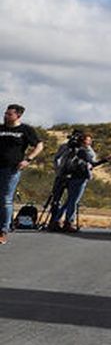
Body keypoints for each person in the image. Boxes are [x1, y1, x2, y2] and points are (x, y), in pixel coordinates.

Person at [0, 103, 44, 244]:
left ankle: (3, 230)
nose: (6, 116)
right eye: (5, 113)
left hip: (11, 169)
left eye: (9, 114)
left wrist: (28, 159)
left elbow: (39, 145)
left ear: (18, 115)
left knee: (6, 199)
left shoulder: (25, 130)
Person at [51, 131, 96, 232]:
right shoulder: (66, 147)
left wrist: (85, 147)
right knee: (57, 200)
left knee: (72, 200)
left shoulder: (86, 150)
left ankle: (65, 221)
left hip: (79, 176)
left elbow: (92, 159)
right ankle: (55, 221)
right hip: (63, 175)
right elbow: (57, 158)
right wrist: (58, 170)